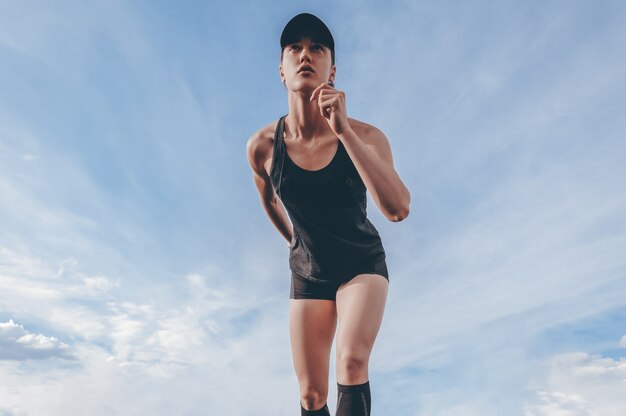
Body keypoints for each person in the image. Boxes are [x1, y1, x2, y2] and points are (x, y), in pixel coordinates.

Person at [246, 12, 410, 415]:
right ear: (281, 72)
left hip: (361, 263)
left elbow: (398, 209)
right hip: (308, 270)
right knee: (310, 396)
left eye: (317, 48)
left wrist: (344, 132)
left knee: (352, 362)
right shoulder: (263, 146)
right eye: (294, 48)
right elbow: (268, 200)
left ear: (331, 71)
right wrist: (294, 242)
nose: (305, 55)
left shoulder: (366, 136)